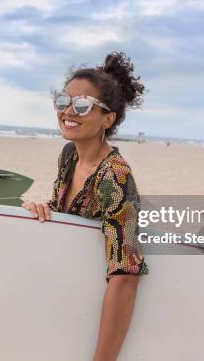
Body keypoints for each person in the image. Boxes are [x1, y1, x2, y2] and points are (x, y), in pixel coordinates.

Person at [22, 51, 148, 360]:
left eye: (82, 106)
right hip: (68, 300)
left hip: (95, 308)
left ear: (108, 119)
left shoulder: (115, 176)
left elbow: (126, 273)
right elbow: (68, 215)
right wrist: (43, 208)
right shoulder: (70, 155)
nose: (68, 111)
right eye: (63, 102)